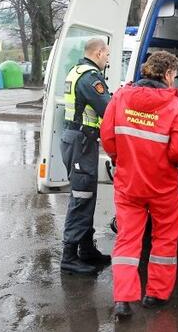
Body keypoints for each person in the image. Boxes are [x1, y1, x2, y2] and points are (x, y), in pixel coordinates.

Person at [100, 51, 178, 319]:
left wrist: (121, 159)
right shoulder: (176, 107)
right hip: (162, 186)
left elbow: (107, 137)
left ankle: (122, 299)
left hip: (129, 184)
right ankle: (156, 294)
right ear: (167, 75)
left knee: (127, 240)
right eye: (174, 75)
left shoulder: (120, 97)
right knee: (164, 239)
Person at [59, 38, 113, 275]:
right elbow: (107, 108)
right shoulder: (90, 77)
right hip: (81, 142)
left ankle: (86, 248)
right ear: (99, 52)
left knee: (87, 195)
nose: (108, 59)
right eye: (107, 55)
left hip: (79, 140)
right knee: (81, 197)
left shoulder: (76, 70)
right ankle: (69, 256)